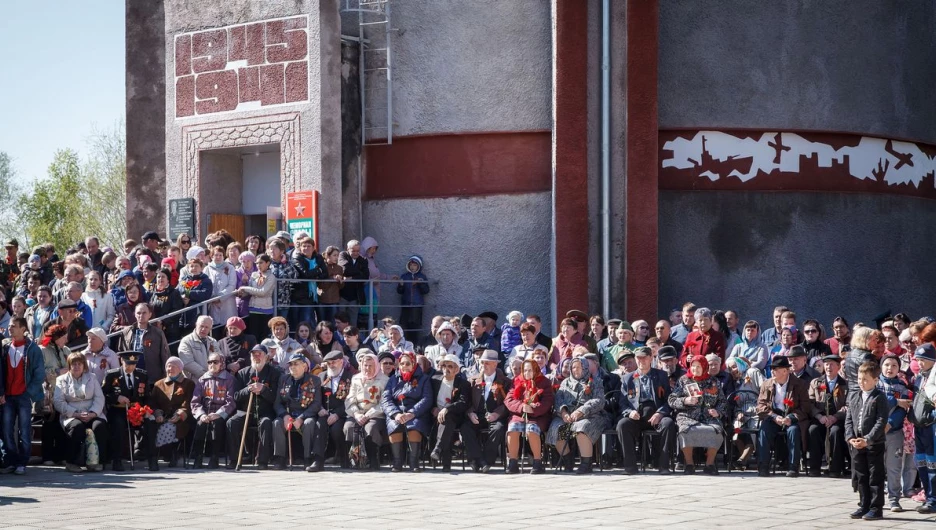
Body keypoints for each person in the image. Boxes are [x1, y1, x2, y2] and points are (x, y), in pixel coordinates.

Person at [616, 345, 677, 475]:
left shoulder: (661, 375)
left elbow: (669, 399)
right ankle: (630, 467)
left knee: (668, 424)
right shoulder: (628, 378)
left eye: (644, 358)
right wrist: (629, 412)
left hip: (656, 412)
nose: (641, 361)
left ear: (650, 358)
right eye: (638, 358)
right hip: (637, 414)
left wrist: (660, 413)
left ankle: (663, 465)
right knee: (622, 425)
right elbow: (622, 402)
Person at [546, 356, 606, 474]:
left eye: (579, 367)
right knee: (556, 428)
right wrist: (563, 413)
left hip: (590, 415)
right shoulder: (565, 382)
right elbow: (558, 399)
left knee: (581, 428)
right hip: (568, 416)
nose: (575, 370)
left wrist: (581, 411)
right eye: (573, 367)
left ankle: (586, 463)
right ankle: (568, 461)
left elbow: (599, 401)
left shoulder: (595, 381)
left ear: (585, 367)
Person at [0, 317, 45, 474]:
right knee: (6, 429)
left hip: (24, 395)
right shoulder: (5, 347)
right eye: (10, 326)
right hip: (8, 396)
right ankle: (10, 460)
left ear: (23, 329)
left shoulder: (33, 349)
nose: (10, 328)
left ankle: (22, 462)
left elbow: (40, 374)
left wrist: (28, 393)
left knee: (24, 431)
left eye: (14, 326)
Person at [668, 355, 726, 475]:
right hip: (687, 416)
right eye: (693, 366)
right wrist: (685, 401)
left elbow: (723, 402)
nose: (695, 369)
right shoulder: (683, 380)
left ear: (704, 367)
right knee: (685, 431)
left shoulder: (713, 382)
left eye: (698, 367)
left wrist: (718, 412)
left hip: (709, 416)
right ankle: (689, 464)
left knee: (716, 431)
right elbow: (672, 400)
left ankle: (709, 465)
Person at [103, 351, 158, 471]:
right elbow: (104, 394)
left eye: (133, 364)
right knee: (118, 425)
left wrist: (147, 410)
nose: (131, 367)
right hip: (119, 409)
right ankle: (117, 460)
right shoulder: (112, 375)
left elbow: (147, 396)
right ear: (121, 361)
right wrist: (117, 398)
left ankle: (152, 459)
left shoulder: (142, 375)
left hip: (137, 409)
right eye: (128, 364)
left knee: (149, 424)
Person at [227, 344, 280, 470]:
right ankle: (235, 459)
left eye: (259, 354)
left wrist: (263, 389)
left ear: (266, 357)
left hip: (265, 412)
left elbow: (276, 398)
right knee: (231, 423)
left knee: (266, 423)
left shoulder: (274, 373)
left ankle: (262, 460)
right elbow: (236, 396)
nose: (256, 357)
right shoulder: (242, 373)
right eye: (253, 354)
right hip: (246, 411)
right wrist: (248, 389)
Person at [52, 352, 108, 473]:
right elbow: (58, 401)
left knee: (99, 426)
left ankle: (99, 461)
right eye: (74, 364)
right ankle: (72, 462)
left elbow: (99, 397)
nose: (77, 366)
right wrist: (75, 413)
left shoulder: (92, 377)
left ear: (84, 365)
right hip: (72, 414)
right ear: (69, 365)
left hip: (91, 411)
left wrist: (93, 413)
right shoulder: (61, 380)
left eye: (79, 364)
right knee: (77, 427)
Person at [847, 361, 889, 520]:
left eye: (865, 379)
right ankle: (863, 505)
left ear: (875, 380)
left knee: (874, 476)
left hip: (874, 444)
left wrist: (868, 439)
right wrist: (850, 437)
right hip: (857, 443)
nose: (861, 382)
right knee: (861, 475)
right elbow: (849, 419)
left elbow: (881, 421)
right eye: (859, 379)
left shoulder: (879, 397)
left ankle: (876, 507)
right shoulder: (855, 395)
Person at [756, 355, 810, 477]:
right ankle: (763, 466)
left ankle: (793, 467)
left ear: (785, 371)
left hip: (791, 416)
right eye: (772, 369)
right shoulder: (767, 384)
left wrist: (790, 418)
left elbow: (805, 408)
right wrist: (774, 416)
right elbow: (760, 406)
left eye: (775, 369)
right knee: (764, 430)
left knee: (794, 431)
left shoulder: (799, 384)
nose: (772, 371)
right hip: (773, 416)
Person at [381, 351, 432, 472]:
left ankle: (413, 461)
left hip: (416, 412)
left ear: (413, 364)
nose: (404, 366)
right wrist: (395, 414)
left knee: (414, 427)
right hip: (397, 411)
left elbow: (427, 399)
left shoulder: (424, 379)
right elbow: (386, 399)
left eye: (407, 363)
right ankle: (397, 461)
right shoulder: (393, 379)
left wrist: (412, 413)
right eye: (402, 363)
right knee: (395, 426)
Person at [273, 352, 322, 471]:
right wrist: (284, 415)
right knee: (277, 423)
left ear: (304, 366)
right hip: (288, 413)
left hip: (306, 414)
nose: (292, 367)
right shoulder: (284, 379)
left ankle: (307, 458)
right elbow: (277, 403)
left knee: (309, 424)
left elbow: (316, 404)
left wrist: (301, 417)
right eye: (290, 365)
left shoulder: (314, 380)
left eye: (296, 364)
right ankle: (280, 458)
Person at [461, 349, 509, 473]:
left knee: (498, 429)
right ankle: (479, 460)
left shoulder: (505, 381)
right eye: (482, 363)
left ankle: (486, 460)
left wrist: (496, 414)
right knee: (465, 427)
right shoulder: (473, 380)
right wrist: (470, 413)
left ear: (495, 364)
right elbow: (468, 402)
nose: (484, 366)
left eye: (487, 363)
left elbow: (507, 402)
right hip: (477, 415)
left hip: (495, 416)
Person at [504, 358, 554, 474]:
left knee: (532, 429)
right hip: (519, 414)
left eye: (530, 370)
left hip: (538, 415)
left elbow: (548, 401)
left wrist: (533, 409)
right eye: (525, 370)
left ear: (536, 370)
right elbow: (509, 400)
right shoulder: (516, 380)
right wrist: (522, 407)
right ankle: (513, 462)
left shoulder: (544, 382)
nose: (527, 373)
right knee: (513, 428)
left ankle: (537, 462)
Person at [878, 354, 913, 511]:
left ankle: (894, 498)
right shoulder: (875, 383)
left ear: (899, 369)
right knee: (876, 466)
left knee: (894, 466)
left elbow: (902, 410)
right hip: (875, 432)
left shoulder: (902, 387)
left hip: (894, 432)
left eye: (894, 365)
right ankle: (875, 498)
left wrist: (890, 424)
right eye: (886, 365)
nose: (889, 368)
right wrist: (895, 401)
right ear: (881, 367)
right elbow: (876, 401)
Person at [344, 350, 388, 471]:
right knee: (348, 427)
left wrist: (368, 415)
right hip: (357, 413)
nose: (367, 368)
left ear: (376, 365)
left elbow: (384, 403)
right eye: (365, 365)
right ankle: (355, 458)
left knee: (370, 428)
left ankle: (373, 458)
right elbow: (350, 399)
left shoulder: (384, 380)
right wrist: (356, 413)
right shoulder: (356, 378)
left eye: (370, 365)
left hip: (375, 414)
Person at [190, 351, 235, 469]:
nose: (212, 364)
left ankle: (214, 457)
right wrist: (201, 414)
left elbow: (230, 402)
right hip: (205, 412)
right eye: (209, 362)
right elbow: (195, 401)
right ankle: (198, 457)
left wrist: (219, 414)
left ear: (222, 363)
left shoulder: (229, 379)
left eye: (215, 362)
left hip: (220, 413)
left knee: (217, 424)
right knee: (200, 424)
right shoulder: (202, 380)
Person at [807, 354, 848, 478]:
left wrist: (835, 417)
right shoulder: (816, 382)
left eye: (832, 364)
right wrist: (819, 416)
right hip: (820, 417)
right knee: (813, 430)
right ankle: (814, 467)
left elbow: (848, 405)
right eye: (826, 364)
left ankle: (835, 468)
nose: (828, 367)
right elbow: (809, 403)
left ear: (838, 366)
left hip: (837, 418)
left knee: (836, 432)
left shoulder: (845, 384)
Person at [428, 354, 471, 471]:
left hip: (455, 416)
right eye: (444, 366)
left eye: (450, 366)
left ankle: (438, 449)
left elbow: (463, 403)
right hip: (435, 416)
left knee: (447, 420)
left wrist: (447, 409)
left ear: (456, 369)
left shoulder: (463, 384)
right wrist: (433, 409)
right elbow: (428, 398)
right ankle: (444, 461)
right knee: (445, 423)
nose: (446, 369)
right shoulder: (434, 381)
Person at [150, 356, 195, 467]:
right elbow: (153, 403)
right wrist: (157, 414)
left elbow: (188, 402)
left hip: (180, 417)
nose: (170, 369)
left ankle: (173, 453)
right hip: (162, 416)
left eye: (174, 366)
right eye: (168, 366)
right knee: (150, 427)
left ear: (180, 369)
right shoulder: (158, 384)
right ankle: (154, 456)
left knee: (172, 426)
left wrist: (180, 414)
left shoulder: (188, 383)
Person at [118, 303, 171, 381]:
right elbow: (121, 352)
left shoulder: (157, 333)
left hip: (153, 376)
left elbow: (165, 354)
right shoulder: (126, 332)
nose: (141, 315)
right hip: (132, 374)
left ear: (150, 314)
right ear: (134, 314)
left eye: (144, 313)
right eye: (138, 313)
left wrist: (166, 375)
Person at [289, 236, 326, 329]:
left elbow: (325, 273)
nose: (306, 248)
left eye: (309, 246)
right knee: (295, 324)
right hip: (297, 295)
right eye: (304, 246)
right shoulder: (297, 258)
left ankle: (306, 342)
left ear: (313, 248)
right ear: (300, 248)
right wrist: (318, 270)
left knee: (307, 323)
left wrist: (315, 273)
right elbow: (305, 274)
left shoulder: (318, 257)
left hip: (310, 297)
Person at [397, 256, 429, 344]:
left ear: (419, 266)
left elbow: (426, 291)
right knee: (405, 327)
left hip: (417, 305)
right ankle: (405, 345)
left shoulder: (422, 276)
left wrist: (420, 283)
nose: (412, 267)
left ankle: (414, 345)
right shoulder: (404, 276)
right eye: (411, 265)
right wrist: (401, 285)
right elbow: (399, 291)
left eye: (415, 265)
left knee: (415, 327)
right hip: (406, 305)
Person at [177, 258, 213, 336]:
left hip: (197, 315)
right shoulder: (184, 279)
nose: (194, 268)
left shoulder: (206, 280)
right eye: (191, 266)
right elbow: (177, 292)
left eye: (196, 266)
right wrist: (182, 298)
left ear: (201, 268)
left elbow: (205, 294)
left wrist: (188, 294)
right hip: (183, 317)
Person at [338, 240, 368, 329]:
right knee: (340, 321)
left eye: (357, 251)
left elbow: (366, 276)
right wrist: (359, 273)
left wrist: (351, 278)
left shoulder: (363, 260)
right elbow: (345, 269)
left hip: (355, 296)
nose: (356, 253)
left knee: (353, 323)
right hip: (342, 295)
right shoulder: (343, 255)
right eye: (353, 251)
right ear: (348, 249)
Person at [178, 315, 219, 380]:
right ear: (196, 325)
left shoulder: (213, 341)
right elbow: (187, 363)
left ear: (210, 329)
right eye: (201, 326)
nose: (203, 329)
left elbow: (220, 358)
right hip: (194, 383)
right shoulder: (186, 341)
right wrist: (206, 374)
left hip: (212, 380)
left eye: (206, 327)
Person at [149, 268, 183, 344]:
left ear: (168, 280)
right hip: (155, 329)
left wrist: (163, 322)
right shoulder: (153, 294)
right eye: (158, 277)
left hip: (170, 330)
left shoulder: (174, 293)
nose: (160, 279)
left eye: (163, 277)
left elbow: (177, 311)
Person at [317, 246, 343, 325]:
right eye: (334, 255)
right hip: (323, 298)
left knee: (333, 323)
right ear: (328, 256)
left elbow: (341, 287)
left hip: (334, 299)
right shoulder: (321, 267)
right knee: (322, 322)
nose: (336, 258)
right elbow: (321, 285)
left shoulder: (339, 268)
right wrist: (332, 278)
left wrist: (340, 280)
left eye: (337, 255)